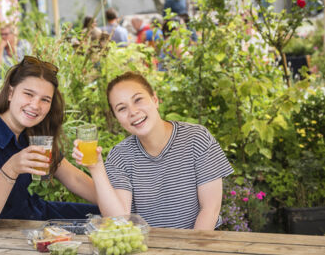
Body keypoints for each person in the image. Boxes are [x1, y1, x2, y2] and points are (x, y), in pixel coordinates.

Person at [72, 72, 233, 229]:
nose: (133, 112)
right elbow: (118, 220)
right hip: (145, 250)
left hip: (197, 244)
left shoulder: (197, 139)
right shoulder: (120, 156)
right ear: (117, 118)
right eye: (122, 108)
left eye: (138, 100)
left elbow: (210, 210)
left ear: (155, 99)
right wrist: (96, 168)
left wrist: (190, 250)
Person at [0, 56, 100, 232]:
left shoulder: (31, 131)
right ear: (10, 93)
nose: (35, 105)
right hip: (5, 230)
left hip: (33, 215)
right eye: (28, 94)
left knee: (106, 217)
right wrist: (11, 168)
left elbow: (73, 178)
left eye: (45, 100)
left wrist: (120, 206)